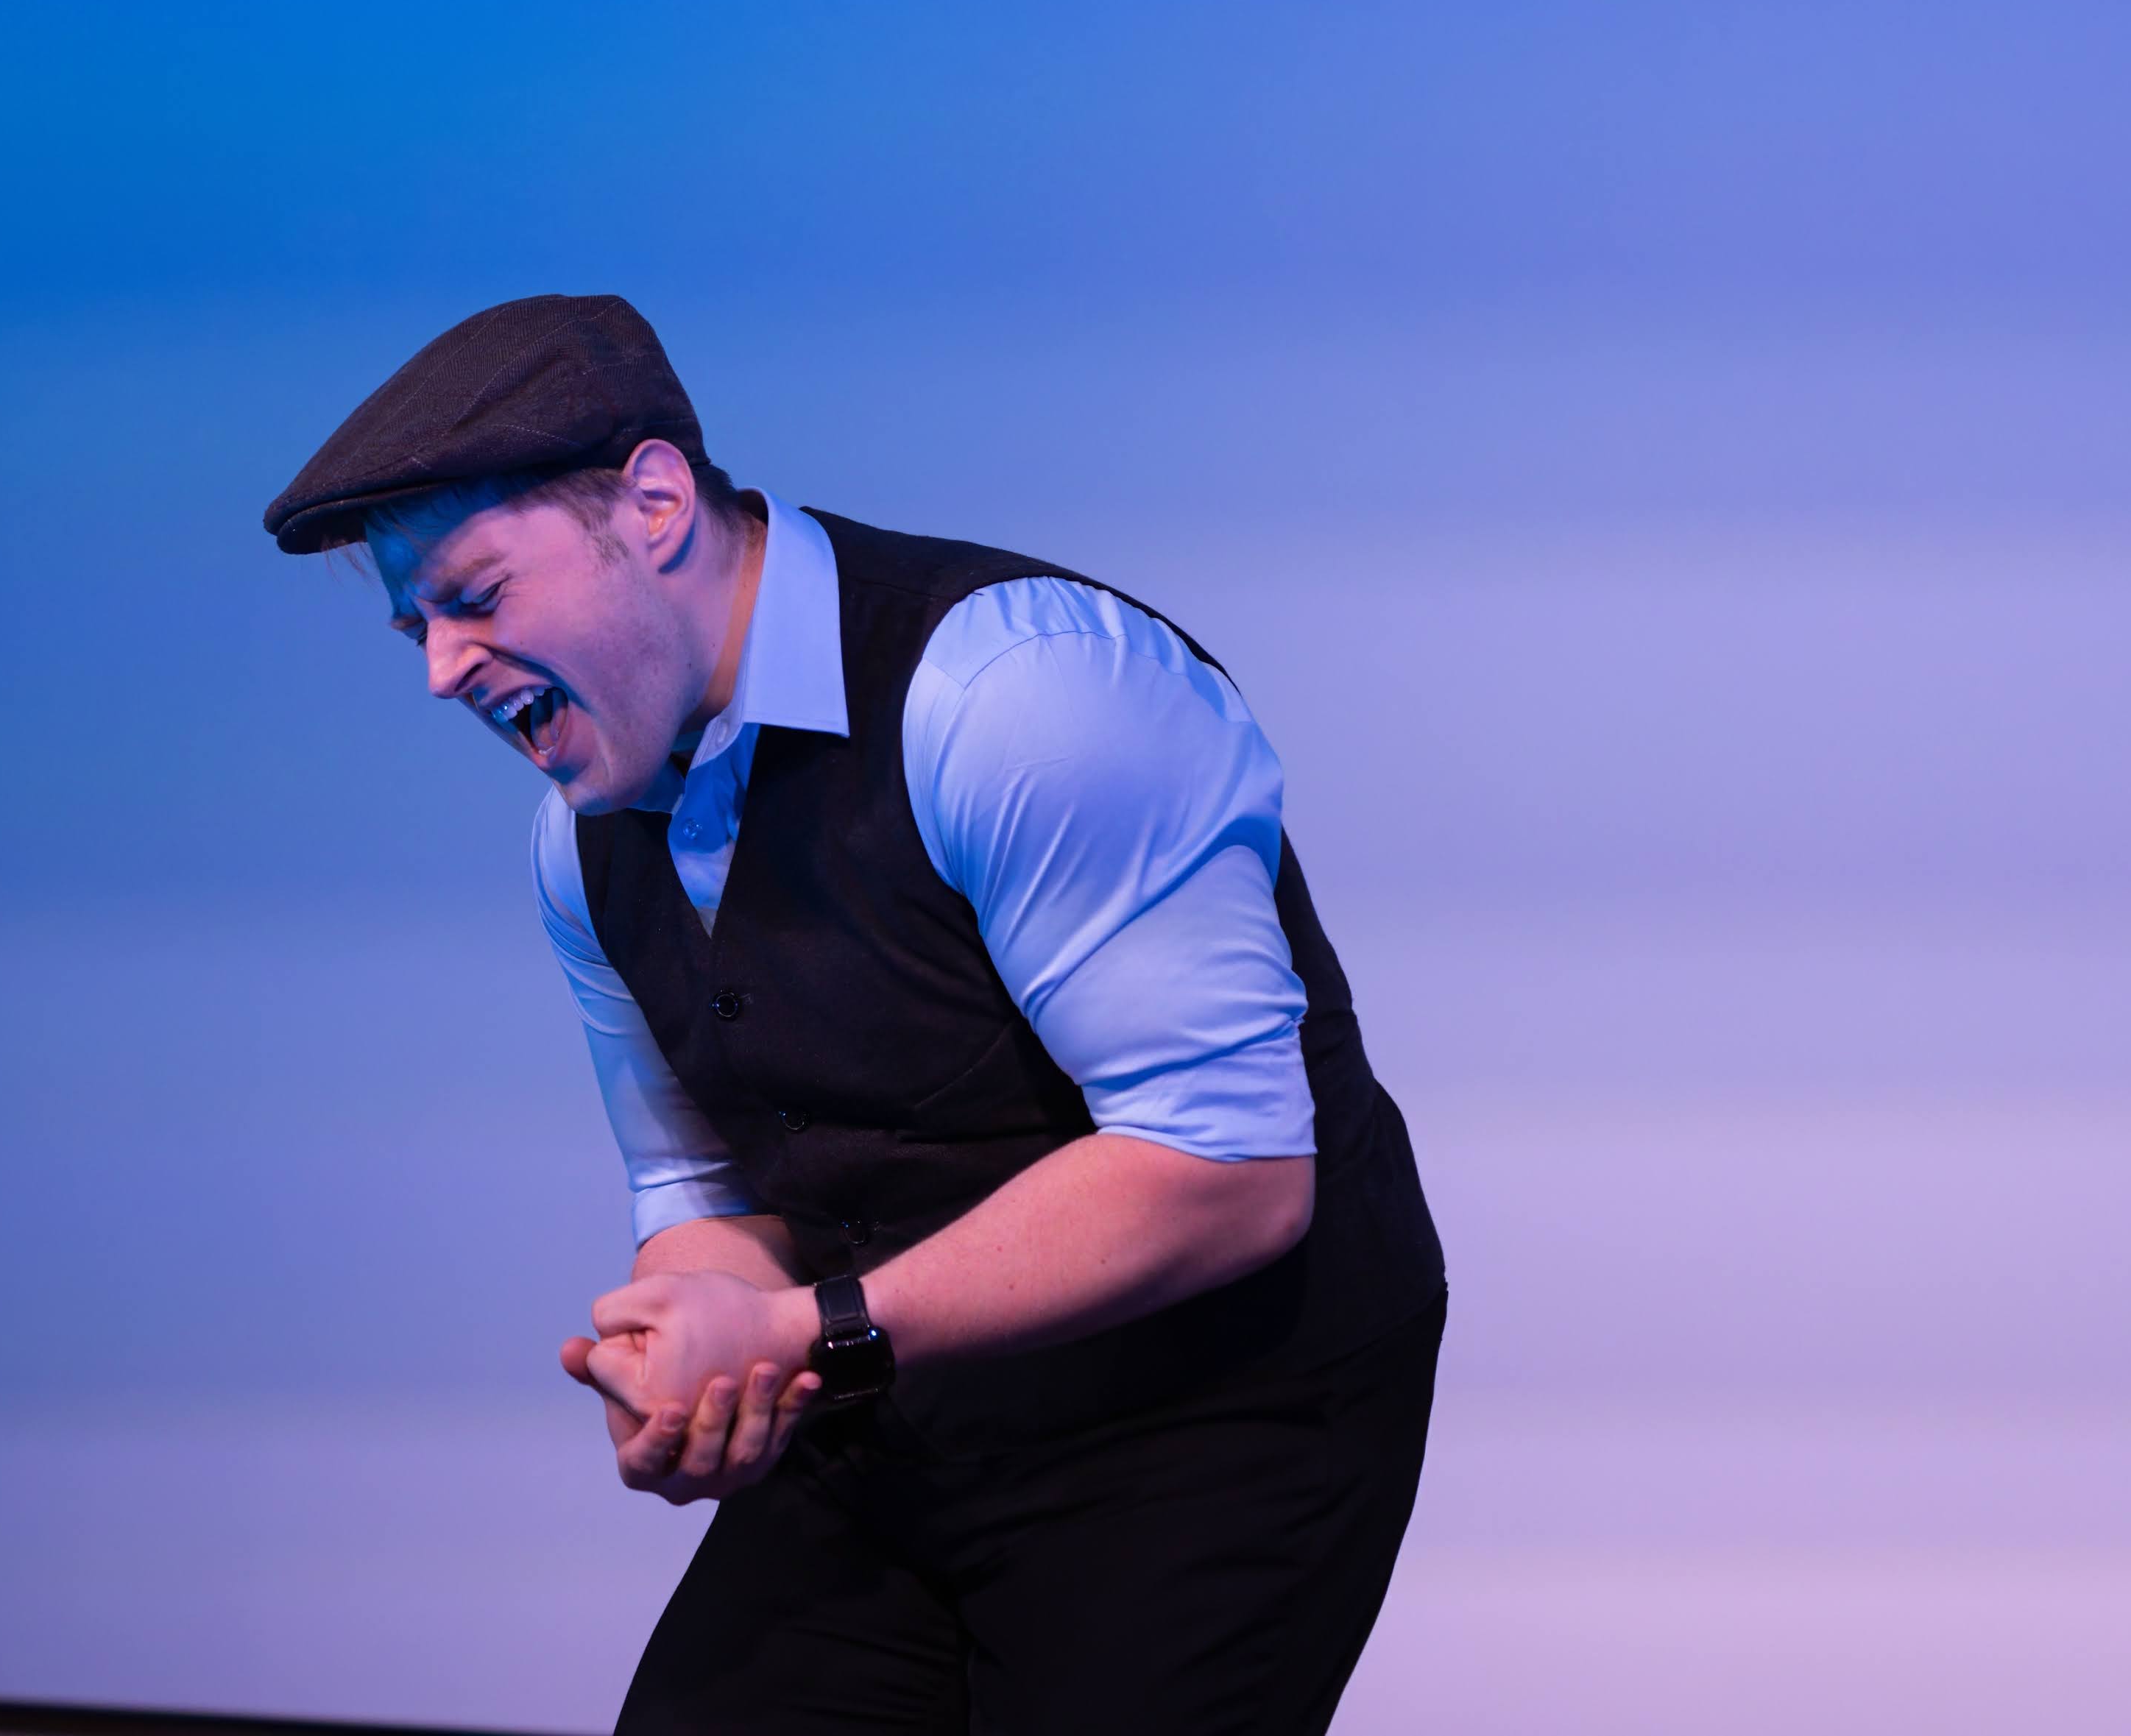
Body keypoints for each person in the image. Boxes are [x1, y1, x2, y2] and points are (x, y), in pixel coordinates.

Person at [262, 294, 1447, 1734]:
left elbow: (1230, 1168)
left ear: (652, 505)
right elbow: (703, 1183)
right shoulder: (580, 838)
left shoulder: (1018, 698)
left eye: (474, 596)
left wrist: (799, 1335)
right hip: (894, 1404)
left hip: (1214, 1417)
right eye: (416, 627)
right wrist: (693, 1360)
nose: (441, 669)